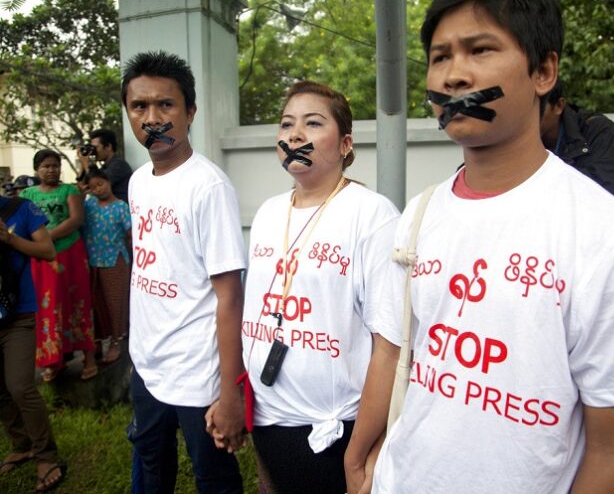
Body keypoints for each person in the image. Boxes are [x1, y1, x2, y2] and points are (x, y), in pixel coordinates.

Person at [344, 0, 614, 493]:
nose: (454, 75)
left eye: (480, 50)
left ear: (544, 72)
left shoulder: (610, 239)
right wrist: (356, 462)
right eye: (440, 57)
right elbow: (392, 353)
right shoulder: (419, 214)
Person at [207, 80, 399, 494]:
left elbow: (391, 344)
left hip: (331, 428)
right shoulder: (269, 213)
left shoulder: (372, 215)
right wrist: (234, 394)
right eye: (286, 124)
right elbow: (255, 312)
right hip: (267, 416)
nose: (294, 135)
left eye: (313, 124)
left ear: (345, 143)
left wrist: (363, 449)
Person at [123, 50, 245, 494]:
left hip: (199, 374)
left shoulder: (207, 187)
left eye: (166, 105)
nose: (152, 117)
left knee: (212, 477)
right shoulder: (138, 182)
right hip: (148, 366)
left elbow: (230, 295)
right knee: (152, 466)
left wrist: (230, 392)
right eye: (139, 106)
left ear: (190, 112)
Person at [0, 193, 65, 491]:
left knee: (20, 386)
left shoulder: (20, 209)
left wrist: (9, 239)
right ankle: (22, 444)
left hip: (18, 315)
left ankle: (46, 455)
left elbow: (47, 250)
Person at [20, 150, 98, 382]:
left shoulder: (69, 191)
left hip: (70, 254)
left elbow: (76, 219)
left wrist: (47, 236)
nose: (51, 170)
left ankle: (89, 358)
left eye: (55, 166)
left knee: (78, 304)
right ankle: (54, 361)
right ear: (36, 170)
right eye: (46, 166)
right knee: (48, 309)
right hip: (41, 259)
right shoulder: (27, 194)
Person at [540, 79, 614, 206]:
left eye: (538, 110)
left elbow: (600, 194)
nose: (528, 118)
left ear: (559, 106)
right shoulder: (516, 137)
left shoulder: (599, 132)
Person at [83, 167, 132, 364]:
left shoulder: (121, 207)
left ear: (108, 182)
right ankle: (95, 343)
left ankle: (115, 343)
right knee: (95, 304)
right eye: (93, 187)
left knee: (116, 303)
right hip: (92, 262)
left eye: (100, 184)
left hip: (116, 262)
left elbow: (131, 235)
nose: (98, 189)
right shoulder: (88, 206)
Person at [76, 129, 133, 203]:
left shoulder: (119, 165)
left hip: (119, 211)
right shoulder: (104, 167)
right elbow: (82, 188)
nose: (93, 151)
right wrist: (82, 166)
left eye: (95, 148)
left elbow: (97, 185)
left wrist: (86, 165)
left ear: (108, 147)